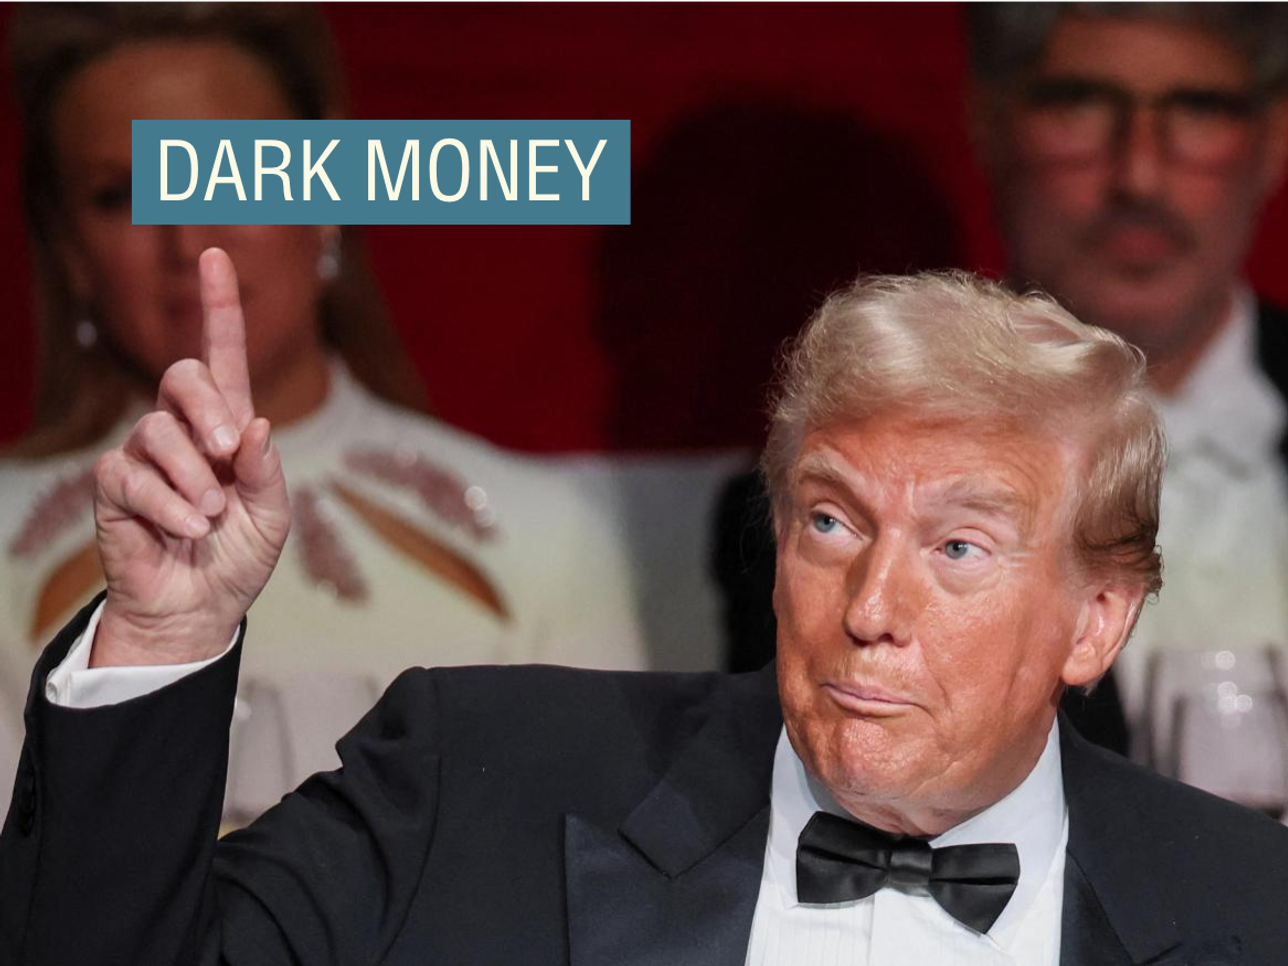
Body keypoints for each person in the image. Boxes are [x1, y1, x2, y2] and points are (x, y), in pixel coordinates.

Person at [5, 262, 1287, 964]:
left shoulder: (1253, 909)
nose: (870, 608)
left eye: (957, 547)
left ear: (1095, 621)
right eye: (831, 523)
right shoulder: (473, 782)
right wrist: (165, 635)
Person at [0, 4, 650, 822]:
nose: (188, 239)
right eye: (121, 193)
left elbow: (603, 871)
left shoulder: (546, 536)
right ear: (66, 245)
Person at [965, 4, 1288, 745]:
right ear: (989, 121)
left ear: (1274, 138)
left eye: (1198, 109)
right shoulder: (851, 475)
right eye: (1080, 103)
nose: (1139, 176)